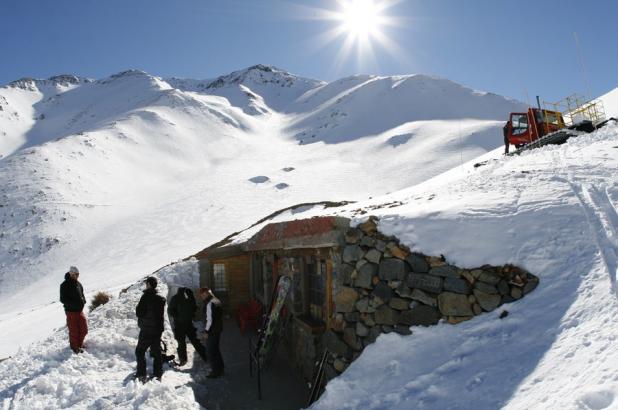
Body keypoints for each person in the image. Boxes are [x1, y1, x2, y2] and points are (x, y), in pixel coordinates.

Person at [135, 276, 166, 381]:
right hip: (157, 330)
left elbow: (139, 312)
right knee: (157, 353)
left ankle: (141, 374)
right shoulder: (161, 299)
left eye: (146, 283)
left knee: (140, 351)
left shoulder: (145, 297)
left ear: (148, 284)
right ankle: (158, 374)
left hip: (147, 330)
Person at [168, 287, 207, 366]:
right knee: (195, 341)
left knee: (181, 342)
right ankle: (206, 356)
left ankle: (183, 359)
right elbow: (194, 308)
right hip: (189, 324)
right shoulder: (190, 298)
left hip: (179, 325)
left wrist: (177, 316)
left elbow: (170, 310)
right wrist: (190, 316)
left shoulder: (175, 298)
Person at [59, 266, 88, 354]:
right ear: (71, 274)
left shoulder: (78, 284)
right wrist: (74, 304)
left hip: (79, 311)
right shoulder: (64, 285)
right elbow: (63, 299)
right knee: (73, 330)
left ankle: (79, 344)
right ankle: (75, 347)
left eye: (78, 274)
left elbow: (82, 294)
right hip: (71, 312)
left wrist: (83, 300)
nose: (77, 276)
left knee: (84, 329)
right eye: (76, 274)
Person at [198, 287, 224, 378]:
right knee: (216, 349)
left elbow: (210, 320)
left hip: (212, 331)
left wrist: (206, 332)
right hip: (218, 329)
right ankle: (220, 369)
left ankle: (215, 372)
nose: (202, 297)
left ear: (206, 294)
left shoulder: (209, 304)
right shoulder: (216, 300)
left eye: (202, 294)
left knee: (210, 351)